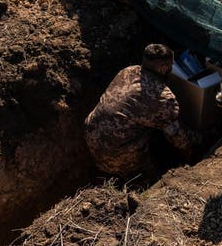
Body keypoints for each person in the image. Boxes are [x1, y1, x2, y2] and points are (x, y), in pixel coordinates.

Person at [84, 44, 203, 181]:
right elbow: (180, 140)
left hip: (91, 135)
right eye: (170, 66)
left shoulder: (128, 71)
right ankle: (139, 182)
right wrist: (199, 138)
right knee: (148, 179)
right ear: (164, 67)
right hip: (114, 153)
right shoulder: (163, 98)